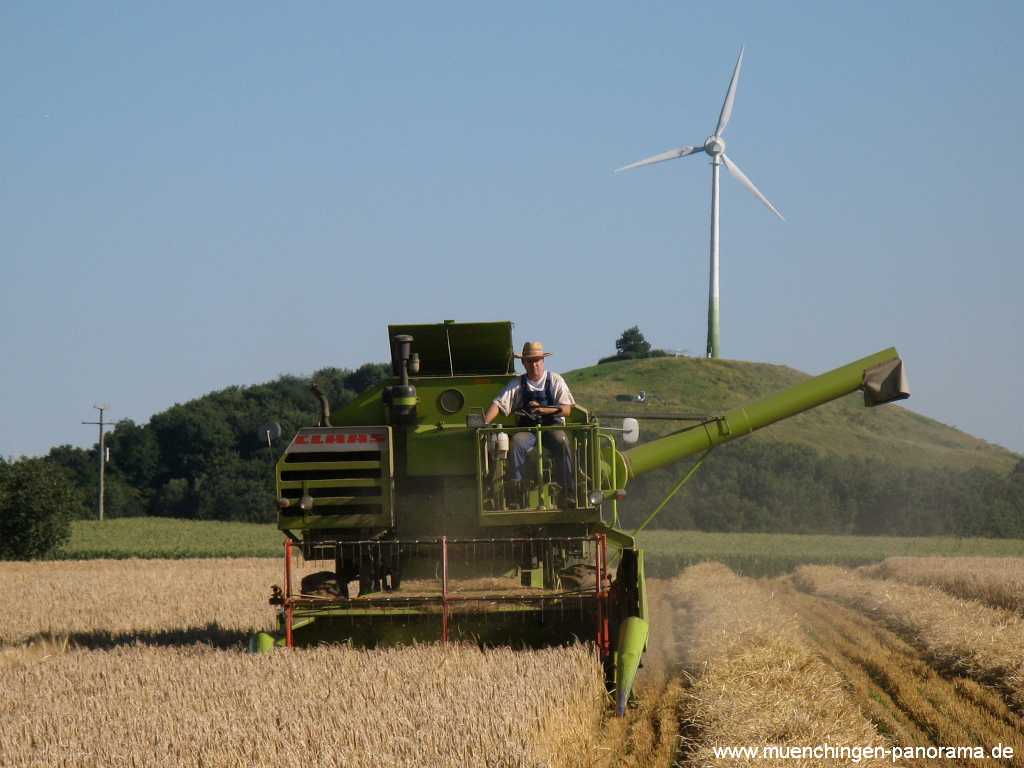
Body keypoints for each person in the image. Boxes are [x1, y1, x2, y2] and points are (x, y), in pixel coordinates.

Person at [483, 341, 577, 504]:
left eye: (537, 360)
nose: (534, 364)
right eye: (530, 361)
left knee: (562, 441)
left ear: (543, 361)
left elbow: (567, 409)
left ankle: (568, 492)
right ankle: (516, 494)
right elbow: (498, 404)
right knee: (517, 443)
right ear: (523, 363)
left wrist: (544, 410)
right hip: (527, 430)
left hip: (551, 427)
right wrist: (483, 423)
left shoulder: (555, 380)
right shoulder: (517, 384)